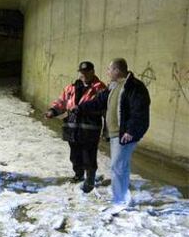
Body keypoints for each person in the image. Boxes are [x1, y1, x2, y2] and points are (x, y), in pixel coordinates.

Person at [76, 58, 150, 210]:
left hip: (124, 134)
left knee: (118, 166)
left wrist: (131, 131)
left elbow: (140, 111)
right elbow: (98, 101)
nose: (107, 72)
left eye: (109, 69)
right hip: (117, 134)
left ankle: (119, 200)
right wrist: (80, 108)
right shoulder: (114, 87)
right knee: (121, 166)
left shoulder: (134, 87)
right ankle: (121, 196)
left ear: (117, 70)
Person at [45, 61, 106, 193]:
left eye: (87, 72)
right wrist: (53, 111)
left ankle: (90, 179)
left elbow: (102, 107)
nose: (84, 75)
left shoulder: (100, 88)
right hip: (72, 127)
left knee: (89, 155)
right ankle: (78, 175)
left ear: (92, 71)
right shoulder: (71, 87)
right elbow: (61, 102)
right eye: (82, 72)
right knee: (75, 155)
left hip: (89, 128)